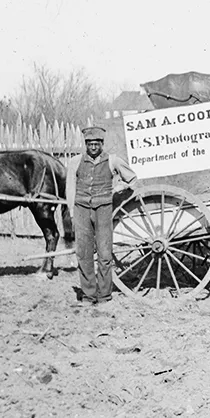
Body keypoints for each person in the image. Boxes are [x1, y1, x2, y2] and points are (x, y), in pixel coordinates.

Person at [66, 127, 136, 306]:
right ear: (86, 144)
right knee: (84, 253)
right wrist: (72, 213)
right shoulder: (75, 162)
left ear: (102, 144)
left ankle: (104, 295)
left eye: (97, 144)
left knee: (105, 253)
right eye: (90, 144)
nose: (93, 147)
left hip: (104, 210)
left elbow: (132, 178)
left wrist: (118, 188)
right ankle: (89, 295)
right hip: (81, 210)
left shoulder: (112, 161)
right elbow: (70, 189)